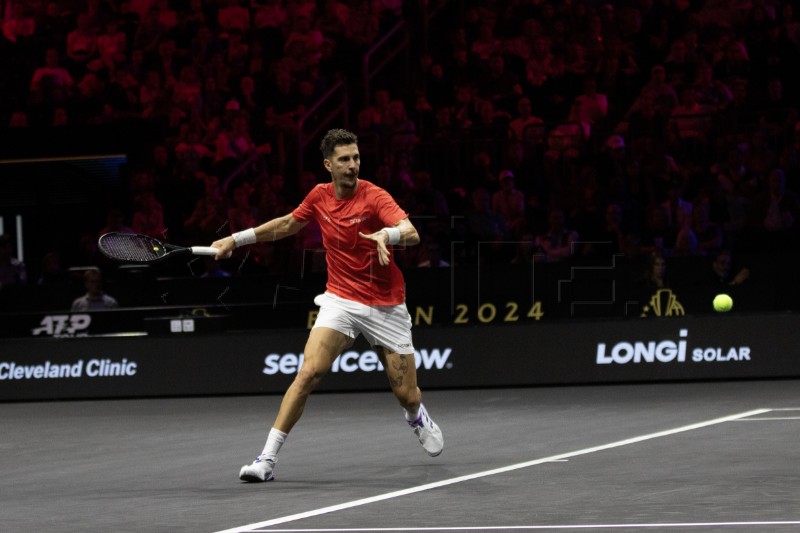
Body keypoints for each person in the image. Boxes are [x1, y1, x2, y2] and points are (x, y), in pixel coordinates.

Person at [211, 129, 443, 483]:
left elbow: (411, 232)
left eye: (356, 158)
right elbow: (289, 224)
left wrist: (387, 234)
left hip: (385, 305)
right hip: (340, 299)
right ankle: (266, 460)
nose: (353, 166)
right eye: (345, 160)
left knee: (406, 394)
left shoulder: (374, 196)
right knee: (308, 373)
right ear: (328, 165)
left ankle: (415, 416)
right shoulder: (319, 196)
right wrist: (235, 239)